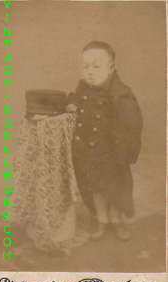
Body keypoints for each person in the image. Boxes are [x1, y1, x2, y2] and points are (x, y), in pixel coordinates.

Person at [66, 41, 143, 241]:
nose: (90, 72)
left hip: (112, 154)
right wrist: (71, 104)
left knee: (115, 187)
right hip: (87, 151)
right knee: (95, 186)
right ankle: (102, 219)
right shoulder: (84, 88)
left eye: (97, 66)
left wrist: (125, 155)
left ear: (111, 68)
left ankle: (116, 219)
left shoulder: (120, 94)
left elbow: (131, 127)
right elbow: (75, 96)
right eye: (85, 66)